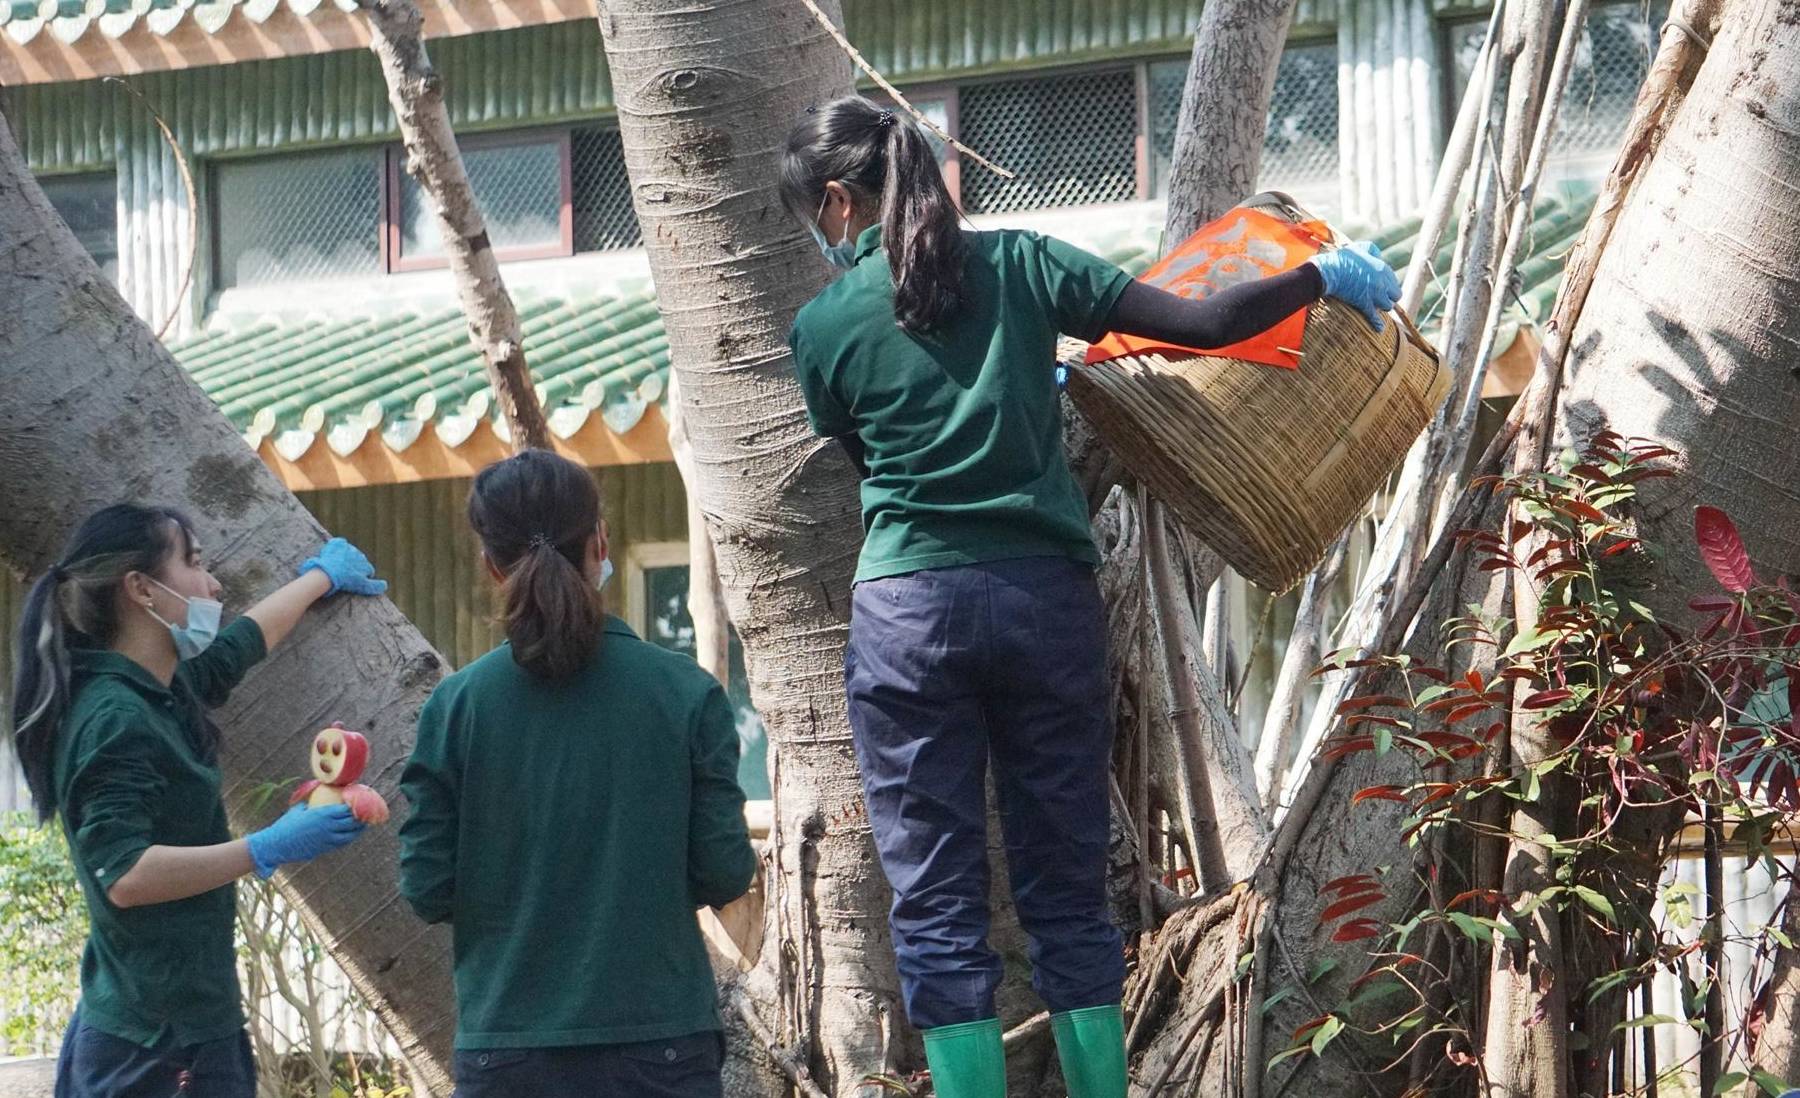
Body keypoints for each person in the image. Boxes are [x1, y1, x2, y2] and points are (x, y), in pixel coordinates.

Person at [778, 97, 1401, 1098]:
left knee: (934, 903)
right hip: (1041, 602)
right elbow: (1198, 326)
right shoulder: (1024, 263)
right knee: (1067, 886)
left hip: (908, 616)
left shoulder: (820, 327)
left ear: (839, 200)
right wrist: (1317, 276)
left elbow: (866, 457)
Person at [398, 449, 758, 1098]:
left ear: (490, 564)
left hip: (507, 1052)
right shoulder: (684, 695)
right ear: (600, 541)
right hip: (662, 1047)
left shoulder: (455, 709)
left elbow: (427, 887)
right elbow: (726, 871)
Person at [10, 504, 389, 1098]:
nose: (214, 584)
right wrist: (266, 847)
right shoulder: (114, 717)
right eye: (193, 562)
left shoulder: (158, 685)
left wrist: (320, 577)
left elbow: (236, 648)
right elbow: (126, 874)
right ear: (141, 589)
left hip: (179, 1025)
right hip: (155, 1046)